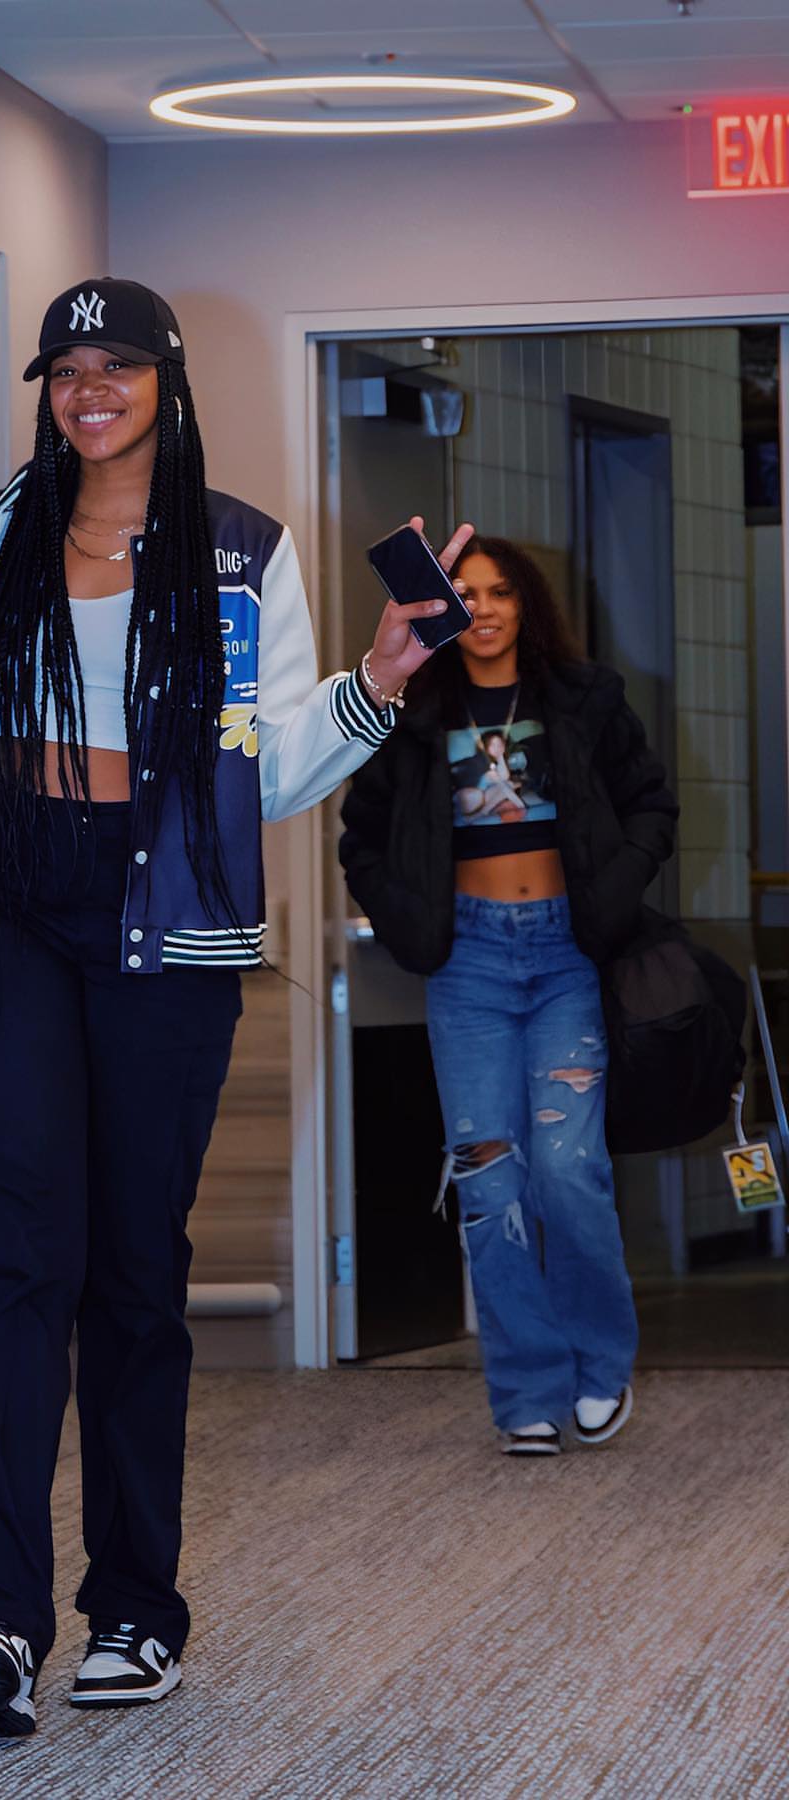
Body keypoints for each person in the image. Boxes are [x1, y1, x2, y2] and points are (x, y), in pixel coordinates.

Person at [0, 277, 464, 1737]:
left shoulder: (242, 551)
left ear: (168, 381)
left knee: (134, 1275)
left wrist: (377, 680)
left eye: (117, 364)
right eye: (65, 368)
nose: (88, 389)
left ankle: (137, 1608)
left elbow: (265, 769)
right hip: (10, 913)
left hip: (171, 918)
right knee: (20, 1263)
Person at [339, 536, 677, 1457]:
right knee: (491, 1180)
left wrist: (611, 894)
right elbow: (359, 836)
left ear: (527, 604)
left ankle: (600, 1364)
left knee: (567, 1169)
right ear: (442, 609)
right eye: (465, 594)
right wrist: (410, 922)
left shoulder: (585, 698)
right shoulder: (417, 712)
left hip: (566, 954)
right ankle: (527, 1386)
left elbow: (652, 805)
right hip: (472, 965)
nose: (482, 609)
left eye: (499, 593)